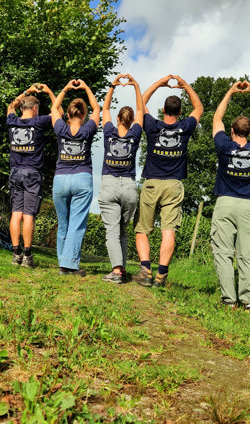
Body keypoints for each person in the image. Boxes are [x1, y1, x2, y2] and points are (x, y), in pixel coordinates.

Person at [132, 75, 203, 287]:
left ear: (163, 110)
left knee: (142, 228)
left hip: (152, 182)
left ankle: (145, 271)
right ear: (180, 112)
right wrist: (185, 85)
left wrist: (158, 83)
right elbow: (198, 107)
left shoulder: (153, 125)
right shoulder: (186, 127)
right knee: (168, 230)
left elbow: (140, 104)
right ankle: (161, 276)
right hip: (174, 184)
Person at [211, 80, 250, 312]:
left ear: (232, 132)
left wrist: (230, 93)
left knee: (223, 253)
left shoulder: (224, 145)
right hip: (246, 206)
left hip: (224, 202)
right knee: (248, 254)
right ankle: (249, 302)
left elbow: (216, 119)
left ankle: (229, 301)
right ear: (249, 132)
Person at [6, 84, 61, 267]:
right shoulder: (39, 122)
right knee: (28, 215)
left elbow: (10, 107)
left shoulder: (12, 121)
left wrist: (26, 92)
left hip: (15, 172)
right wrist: (50, 93)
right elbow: (58, 112)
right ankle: (28, 256)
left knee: (16, 213)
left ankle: (16, 254)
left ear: (22, 108)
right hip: (33, 173)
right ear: (35, 109)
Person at [50, 79, 100, 276]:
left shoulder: (60, 128)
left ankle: (64, 262)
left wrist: (65, 89)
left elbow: (54, 108)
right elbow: (97, 109)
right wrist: (87, 87)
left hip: (61, 179)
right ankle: (69, 265)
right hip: (82, 179)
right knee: (76, 223)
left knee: (64, 223)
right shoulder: (88, 129)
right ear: (83, 114)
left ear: (68, 113)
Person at [99, 73, 144, 284]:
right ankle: (122, 270)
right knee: (123, 232)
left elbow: (104, 108)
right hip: (129, 186)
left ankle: (116, 271)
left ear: (118, 119)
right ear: (132, 120)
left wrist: (113, 86)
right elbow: (142, 110)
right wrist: (135, 85)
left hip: (109, 184)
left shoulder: (109, 130)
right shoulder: (135, 133)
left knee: (112, 231)